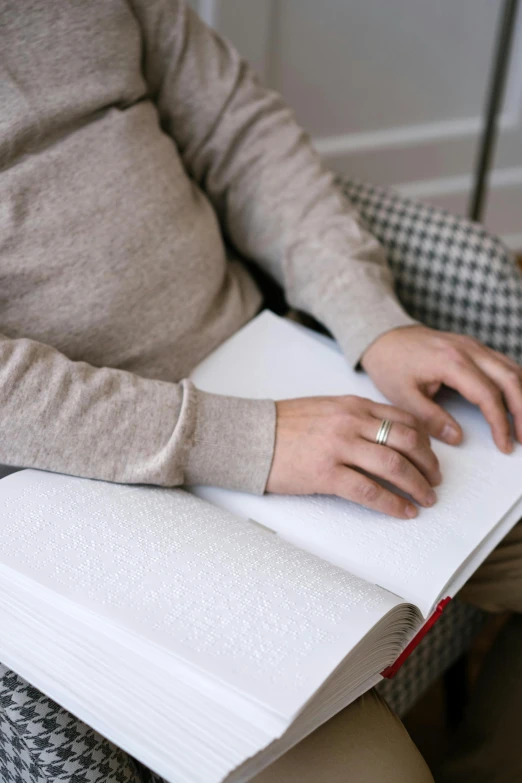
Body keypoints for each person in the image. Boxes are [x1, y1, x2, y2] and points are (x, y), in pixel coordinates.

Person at [1, 1, 522, 781]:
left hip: (264, 365)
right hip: (73, 482)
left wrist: (371, 321)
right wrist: (253, 441)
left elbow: (239, 134)